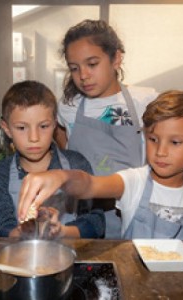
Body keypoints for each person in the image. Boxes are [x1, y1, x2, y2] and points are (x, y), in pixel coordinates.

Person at [18, 90, 183, 249]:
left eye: (175, 142)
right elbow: (89, 185)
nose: (160, 151)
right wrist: (61, 176)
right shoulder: (135, 181)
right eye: (153, 139)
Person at [54, 19, 159, 238]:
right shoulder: (68, 107)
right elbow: (62, 140)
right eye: (75, 68)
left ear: (116, 58)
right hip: (84, 216)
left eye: (92, 64)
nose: (83, 75)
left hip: (131, 213)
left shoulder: (145, 101)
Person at [0, 80, 105, 238]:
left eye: (43, 126)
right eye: (21, 128)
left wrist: (60, 231)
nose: (34, 138)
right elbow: (2, 227)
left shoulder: (76, 164)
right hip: (21, 257)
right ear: (7, 129)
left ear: (55, 124)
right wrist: (28, 229)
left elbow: (96, 223)